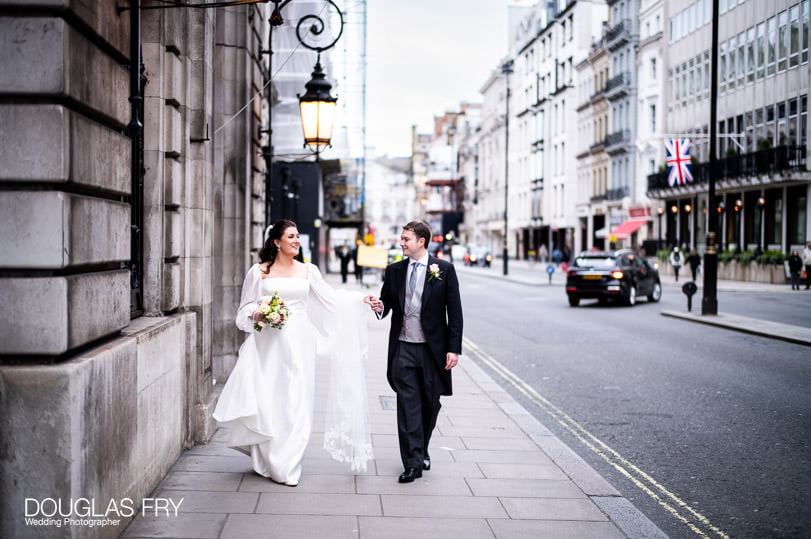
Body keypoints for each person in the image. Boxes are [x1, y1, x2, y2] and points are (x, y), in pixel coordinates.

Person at [213, 219, 373, 486]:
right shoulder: (259, 271)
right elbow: (243, 311)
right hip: (268, 344)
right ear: (276, 242)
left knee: (297, 399)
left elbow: (332, 300)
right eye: (291, 236)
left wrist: (361, 300)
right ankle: (266, 457)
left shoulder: (308, 271)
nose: (297, 240)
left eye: (298, 236)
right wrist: (258, 313)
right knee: (269, 399)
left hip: (300, 341)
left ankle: (287, 463)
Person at [365, 220, 463, 484]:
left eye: (406, 238)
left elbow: (454, 313)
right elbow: (388, 303)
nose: (402, 242)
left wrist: (454, 349)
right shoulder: (395, 270)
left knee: (430, 404)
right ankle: (413, 463)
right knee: (408, 406)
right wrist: (378, 305)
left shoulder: (444, 269)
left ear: (421, 241)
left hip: (433, 351)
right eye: (402, 238)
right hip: (403, 347)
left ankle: (422, 448)